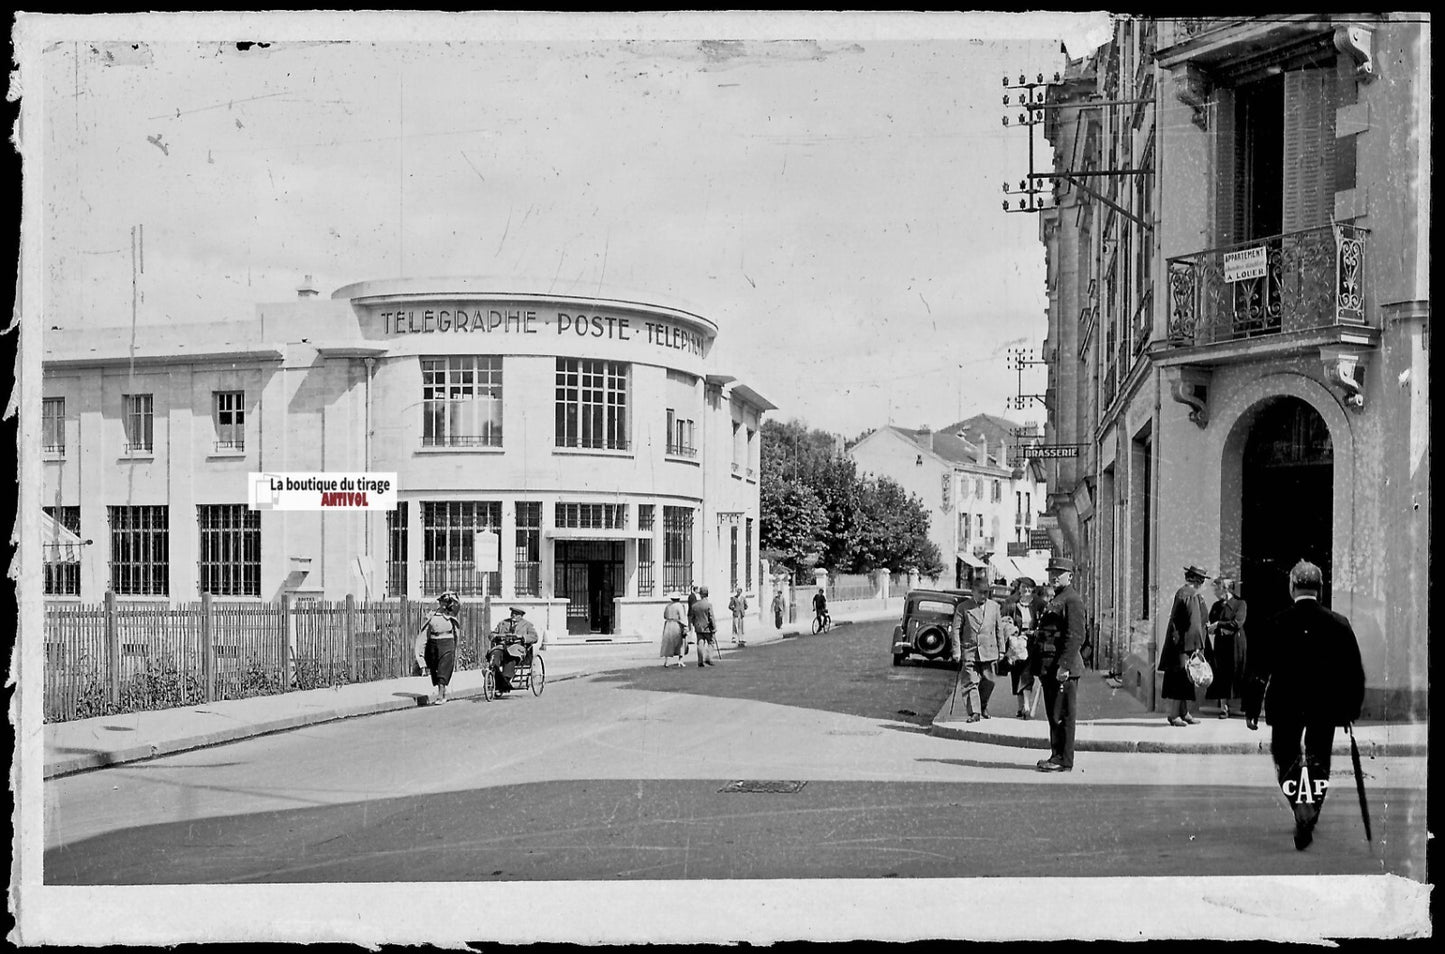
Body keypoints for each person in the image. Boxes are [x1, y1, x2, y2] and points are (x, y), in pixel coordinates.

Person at [1242, 560, 1365, 851]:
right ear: (1320, 589)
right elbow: (1353, 672)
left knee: (1285, 757)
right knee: (1319, 758)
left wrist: (1251, 707)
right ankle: (1310, 809)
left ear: (1291, 587)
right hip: (1325, 705)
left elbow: (1258, 669)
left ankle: (1299, 802)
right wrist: (1350, 710)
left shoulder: (1276, 622)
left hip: (1286, 704)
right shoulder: (1338, 623)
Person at [1034, 557, 1086, 772]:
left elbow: (1076, 636)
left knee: (1062, 715)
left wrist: (1064, 666)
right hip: (1050, 665)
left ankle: (1063, 759)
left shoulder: (1072, 600)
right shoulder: (1059, 597)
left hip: (1062, 668)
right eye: (1051, 572)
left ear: (1070, 576)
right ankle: (1056, 755)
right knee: (1054, 714)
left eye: (1059, 573)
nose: (1053, 576)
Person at [1158, 564, 1210, 726]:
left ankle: (1184, 712)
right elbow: (1194, 624)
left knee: (1185, 679)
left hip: (1181, 643)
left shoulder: (1185, 593)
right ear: (1197, 580)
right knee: (1181, 679)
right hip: (1184, 645)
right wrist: (1197, 646)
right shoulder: (1190, 594)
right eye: (1202, 580)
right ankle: (1174, 715)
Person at [954, 576, 1005, 722]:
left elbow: (999, 629)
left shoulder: (994, 607)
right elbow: (956, 630)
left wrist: (1001, 649)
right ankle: (974, 712)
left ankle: (982, 705)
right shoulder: (963, 608)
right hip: (970, 650)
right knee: (971, 681)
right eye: (980, 592)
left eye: (986, 592)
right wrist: (957, 651)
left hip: (989, 650)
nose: (983, 596)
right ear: (973, 592)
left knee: (989, 681)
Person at [1205, 576, 1249, 719]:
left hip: (1236, 644)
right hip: (1221, 643)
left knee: (1237, 672)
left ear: (1225, 589)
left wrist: (1219, 624)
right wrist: (1217, 627)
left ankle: (1243, 706)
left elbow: (1237, 623)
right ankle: (1224, 707)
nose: (1214, 592)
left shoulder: (1240, 604)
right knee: (1221, 673)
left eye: (1216, 589)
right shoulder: (1216, 606)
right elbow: (1211, 624)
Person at [1002, 576, 1040, 719]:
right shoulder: (1011, 603)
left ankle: (1026, 705)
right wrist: (1011, 630)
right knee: (1016, 673)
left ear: (1033, 589)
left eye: (1029, 587)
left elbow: (1043, 621)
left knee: (1027, 673)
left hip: (1031, 643)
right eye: (1023, 587)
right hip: (1015, 643)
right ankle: (1020, 707)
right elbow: (1003, 620)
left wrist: (1036, 631)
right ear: (1019, 588)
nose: (1026, 590)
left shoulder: (1038, 604)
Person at [413, 592, 461, 706]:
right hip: (434, 643)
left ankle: (440, 695)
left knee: (443, 669)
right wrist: (421, 652)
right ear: (439, 603)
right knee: (435, 669)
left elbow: (458, 604)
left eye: (446, 602)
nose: (444, 604)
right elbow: (425, 634)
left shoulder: (451, 614)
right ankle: (443, 692)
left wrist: (452, 596)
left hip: (447, 643)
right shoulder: (432, 615)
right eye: (442, 602)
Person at [488, 606, 539, 695]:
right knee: (495, 653)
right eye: (512, 613)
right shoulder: (503, 623)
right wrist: (494, 636)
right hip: (502, 646)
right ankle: (494, 672)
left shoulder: (527, 625)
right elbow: (492, 634)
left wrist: (523, 637)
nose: (513, 615)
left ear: (521, 616)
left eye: (516, 614)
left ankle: (504, 682)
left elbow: (534, 637)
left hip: (517, 648)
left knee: (511, 657)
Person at [688, 585, 718, 667]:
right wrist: (714, 627)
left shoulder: (695, 605)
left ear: (700, 594)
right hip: (707, 628)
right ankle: (708, 658)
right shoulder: (708, 605)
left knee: (700, 643)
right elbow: (711, 617)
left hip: (698, 628)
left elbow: (692, 618)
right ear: (707, 594)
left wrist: (695, 624)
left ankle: (700, 661)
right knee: (711, 642)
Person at [659, 592, 688, 668]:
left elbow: (665, 616)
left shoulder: (668, 606)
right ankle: (680, 660)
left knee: (668, 643)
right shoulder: (679, 606)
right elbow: (682, 617)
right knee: (680, 642)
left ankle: (666, 661)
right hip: (676, 624)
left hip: (668, 624)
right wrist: (685, 626)